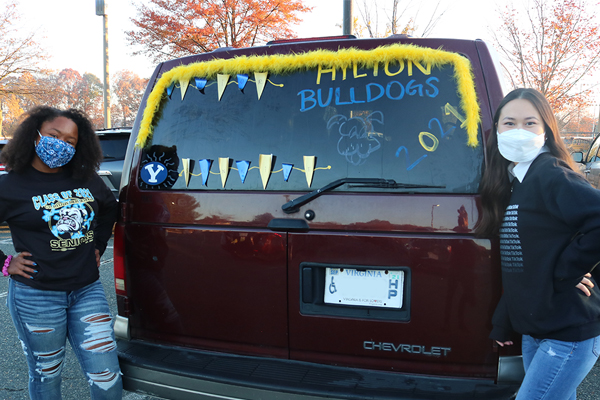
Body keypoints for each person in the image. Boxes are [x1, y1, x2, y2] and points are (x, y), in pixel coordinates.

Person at [476, 88, 600, 400]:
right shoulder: (516, 182)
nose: (519, 131)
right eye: (509, 123)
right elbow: (522, 266)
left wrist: (565, 271)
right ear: (497, 131)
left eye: (530, 123)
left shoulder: (550, 173)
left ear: (546, 131)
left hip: (568, 333)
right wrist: (503, 323)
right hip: (536, 332)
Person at [0, 106, 122, 399]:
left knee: (107, 379)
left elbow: (109, 208)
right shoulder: (10, 185)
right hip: (36, 296)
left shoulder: (85, 178)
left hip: (87, 291)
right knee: (47, 377)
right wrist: (5, 263)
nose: (61, 144)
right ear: (35, 134)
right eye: (54, 135)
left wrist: (98, 245)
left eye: (70, 141)